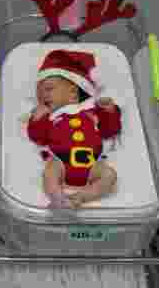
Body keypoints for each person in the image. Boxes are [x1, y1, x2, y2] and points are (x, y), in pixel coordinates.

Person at [27, 50, 120, 211]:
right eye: (39, 93)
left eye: (48, 88)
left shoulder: (91, 113)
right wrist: (37, 120)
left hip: (92, 163)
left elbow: (109, 131)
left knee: (109, 175)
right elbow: (39, 138)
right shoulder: (51, 117)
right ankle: (58, 198)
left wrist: (108, 111)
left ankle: (80, 197)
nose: (43, 96)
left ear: (72, 93)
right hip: (61, 162)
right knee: (49, 173)